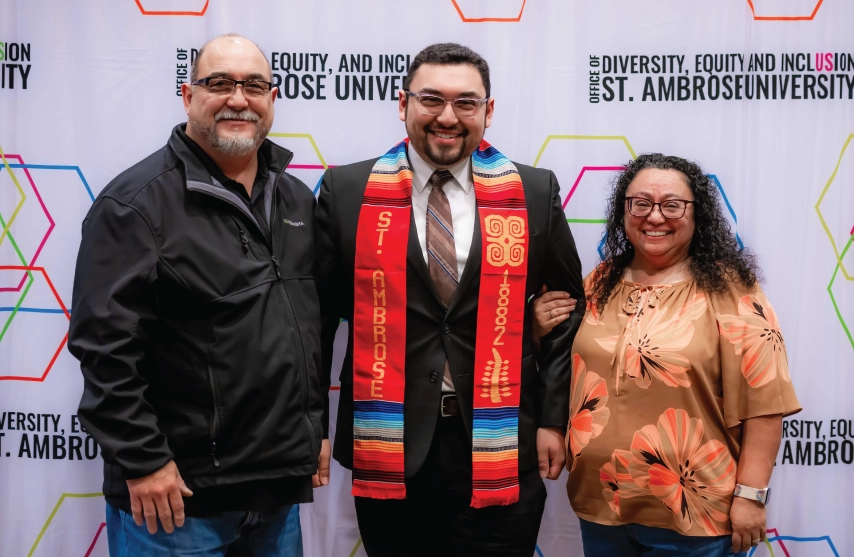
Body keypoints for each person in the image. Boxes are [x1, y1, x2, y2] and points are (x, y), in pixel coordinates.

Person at [314, 43, 585, 556]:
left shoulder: (533, 190)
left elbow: (567, 306)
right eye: (431, 99)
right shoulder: (346, 190)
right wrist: (312, 427)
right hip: (389, 439)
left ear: (488, 110)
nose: (447, 116)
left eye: (466, 102)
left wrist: (553, 417)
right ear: (402, 103)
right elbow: (316, 322)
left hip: (504, 437)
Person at [68, 34, 328, 557]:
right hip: (175, 502)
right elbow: (104, 348)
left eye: (254, 85)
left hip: (276, 495)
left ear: (272, 99)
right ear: (188, 96)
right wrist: (143, 460)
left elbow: (304, 330)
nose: (238, 98)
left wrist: (312, 430)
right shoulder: (135, 204)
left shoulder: (296, 197)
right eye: (219, 83)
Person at [532, 154, 801, 556]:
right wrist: (537, 331)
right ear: (624, 211)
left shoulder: (731, 290)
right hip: (601, 506)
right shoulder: (599, 282)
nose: (654, 216)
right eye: (640, 203)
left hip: (698, 518)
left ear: (698, 215)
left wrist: (751, 495)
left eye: (672, 205)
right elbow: (565, 366)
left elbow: (764, 404)